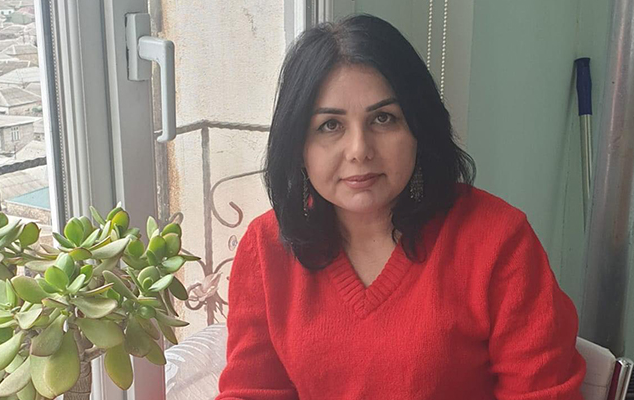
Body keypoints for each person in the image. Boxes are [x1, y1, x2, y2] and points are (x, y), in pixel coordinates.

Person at [216, 14, 586, 400]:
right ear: (298, 144)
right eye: (330, 125)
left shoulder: (498, 242)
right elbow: (251, 391)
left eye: (383, 118)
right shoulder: (265, 248)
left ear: (418, 129)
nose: (359, 150)